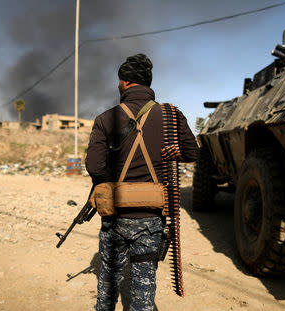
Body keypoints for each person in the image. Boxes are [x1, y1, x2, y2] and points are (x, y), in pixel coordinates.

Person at [86, 53, 199, 311]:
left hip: (115, 216)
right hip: (151, 218)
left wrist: (111, 186)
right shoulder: (171, 115)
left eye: (119, 82)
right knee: (143, 291)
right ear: (148, 84)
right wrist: (175, 153)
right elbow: (193, 154)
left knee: (108, 285)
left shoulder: (105, 118)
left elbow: (94, 167)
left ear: (124, 83)